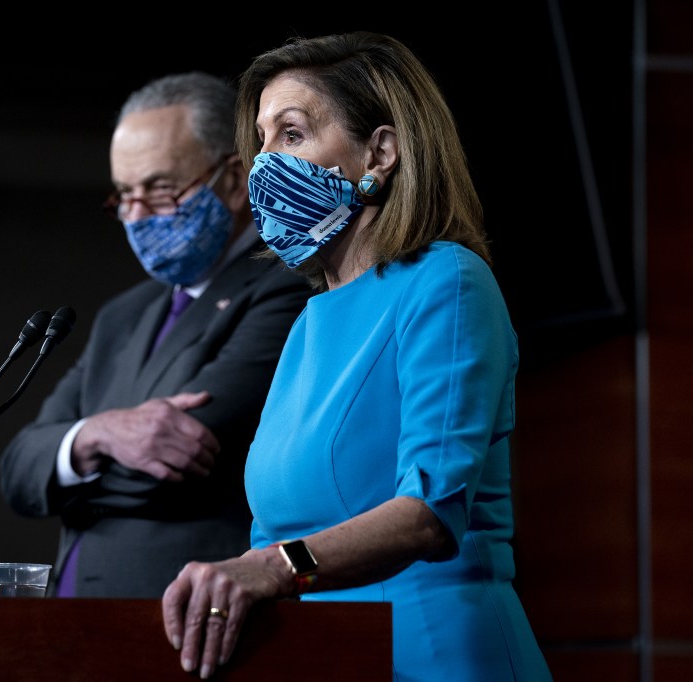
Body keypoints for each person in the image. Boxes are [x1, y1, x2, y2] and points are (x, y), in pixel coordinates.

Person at [161, 32, 552, 681]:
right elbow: (272, 532)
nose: (263, 165)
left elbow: (428, 514)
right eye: (260, 140)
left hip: (434, 652)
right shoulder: (309, 323)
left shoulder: (447, 282)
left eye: (291, 134)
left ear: (381, 151)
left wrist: (272, 569)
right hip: (323, 655)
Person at [0, 72, 313, 599]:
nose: (136, 214)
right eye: (124, 195)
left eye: (161, 188)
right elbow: (18, 470)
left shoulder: (286, 288)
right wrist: (95, 435)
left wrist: (70, 471)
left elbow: (169, 470)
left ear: (235, 182)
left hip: (185, 618)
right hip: (71, 622)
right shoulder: (125, 313)